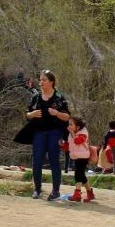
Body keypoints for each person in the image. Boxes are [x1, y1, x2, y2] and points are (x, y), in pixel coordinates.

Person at [25, 69, 70, 201]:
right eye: (40, 80)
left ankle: (55, 191)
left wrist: (57, 113)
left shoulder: (59, 98)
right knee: (37, 160)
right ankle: (37, 189)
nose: (41, 82)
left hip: (54, 133)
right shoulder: (36, 97)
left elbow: (67, 116)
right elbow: (27, 114)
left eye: (44, 80)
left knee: (54, 161)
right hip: (39, 133)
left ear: (51, 82)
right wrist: (31, 114)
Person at [66, 116, 95, 202]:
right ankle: (90, 193)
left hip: (83, 157)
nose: (69, 126)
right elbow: (70, 145)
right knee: (82, 176)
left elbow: (77, 141)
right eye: (69, 124)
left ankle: (77, 194)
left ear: (78, 127)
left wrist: (72, 133)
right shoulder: (72, 134)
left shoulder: (83, 133)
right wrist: (63, 144)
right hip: (77, 156)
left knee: (78, 174)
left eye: (71, 124)